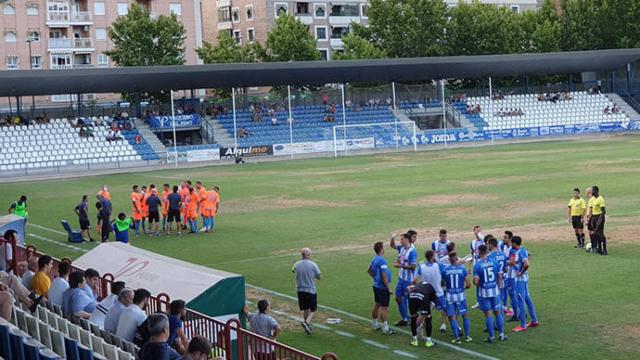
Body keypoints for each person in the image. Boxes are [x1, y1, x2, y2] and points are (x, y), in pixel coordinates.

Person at [473, 244, 507, 343]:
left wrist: (479, 283)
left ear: (479, 252)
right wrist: (499, 288)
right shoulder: (494, 262)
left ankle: (491, 337)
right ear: (487, 251)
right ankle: (501, 335)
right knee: (498, 313)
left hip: (484, 293)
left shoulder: (478, 265)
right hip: (495, 291)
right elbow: (499, 276)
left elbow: (475, 282)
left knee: (488, 314)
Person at [441, 252, 472, 344]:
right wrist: (463, 289)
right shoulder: (462, 269)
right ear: (456, 259)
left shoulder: (445, 270)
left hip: (450, 296)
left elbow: (442, 284)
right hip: (460, 295)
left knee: (453, 317)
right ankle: (467, 336)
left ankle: (457, 338)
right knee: (465, 315)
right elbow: (469, 285)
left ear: (449, 260)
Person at [510, 236, 539, 332]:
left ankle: (522, 325)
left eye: (511, 243)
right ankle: (534, 320)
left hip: (520, 281)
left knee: (521, 301)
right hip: (525, 279)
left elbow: (527, 264)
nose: (511, 245)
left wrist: (520, 272)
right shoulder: (524, 250)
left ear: (514, 243)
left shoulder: (519, 252)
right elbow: (528, 256)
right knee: (527, 298)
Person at [292, 248, 321, 335]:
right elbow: (319, 276)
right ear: (308, 255)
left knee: (305, 309)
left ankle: (307, 328)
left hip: (300, 290)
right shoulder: (313, 264)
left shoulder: (297, 264)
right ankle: (307, 322)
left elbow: (293, 270)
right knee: (313, 309)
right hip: (310, 289)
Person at [367, 241, 393, 334]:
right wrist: (388, 288)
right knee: (384, 307)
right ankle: (385, 328)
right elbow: (383, 275)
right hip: (382, 287)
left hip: (376, 286)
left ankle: (374, 324)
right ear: (381, 249)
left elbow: (369, 270)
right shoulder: (382, 260)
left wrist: (374, 277)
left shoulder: (374, 259)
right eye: (383, 247)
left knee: (377, 304)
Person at [392, 233, 417, 326]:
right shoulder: (401, 248)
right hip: (401, 278)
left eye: (402, 239)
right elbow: (393, 246)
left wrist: (401, 265)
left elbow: (413, 267)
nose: (400, 241)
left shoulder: (412, 251)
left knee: (409, 300)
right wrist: (399, 263)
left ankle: (414, 319)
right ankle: (405, 318)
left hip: (408, 280)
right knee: (398, 298)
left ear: (407, 240)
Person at [408, 282, 438, 348]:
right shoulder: (433, 290)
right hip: (422, 296)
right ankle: (429, 341)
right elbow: (434, 300)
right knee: (428, 318)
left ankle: (414, 341)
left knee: (413, 317)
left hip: (411, 295)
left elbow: (408, 288)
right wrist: (428, 311)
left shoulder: (420, 284)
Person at [486, 235, 509, 324]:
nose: (487, 246)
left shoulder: (490, 256)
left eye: (488, 244)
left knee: (492, 305)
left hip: (493, 283)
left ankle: (496, 324)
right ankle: (500, 323)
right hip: (502, 281)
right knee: (500, 303)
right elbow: (506, 269)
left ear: (491, 245)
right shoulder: (503, 255)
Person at [501, 231, 517, 320]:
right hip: (506, 275)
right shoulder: (504, 247)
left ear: (510, 239)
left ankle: (515, 312)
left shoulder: (512, 249)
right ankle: (510, 309)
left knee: (512, 293)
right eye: (503, 237)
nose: (503, 239)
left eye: (505, 237)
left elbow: (512, 262)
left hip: (511, 275)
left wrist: (503, 263)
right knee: (506, 292)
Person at [589, 186, 607, 255]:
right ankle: (599, 249)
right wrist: (591, 220)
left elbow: (603, 211)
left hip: (600, 217)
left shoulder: (600, 199)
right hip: (594, 217)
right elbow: (592, 210)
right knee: (596, 234)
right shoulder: (592, 199)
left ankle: (604, 250)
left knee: (601, 234)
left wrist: (599, 221)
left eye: (592, 191)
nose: (591, 192)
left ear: (596, 191)